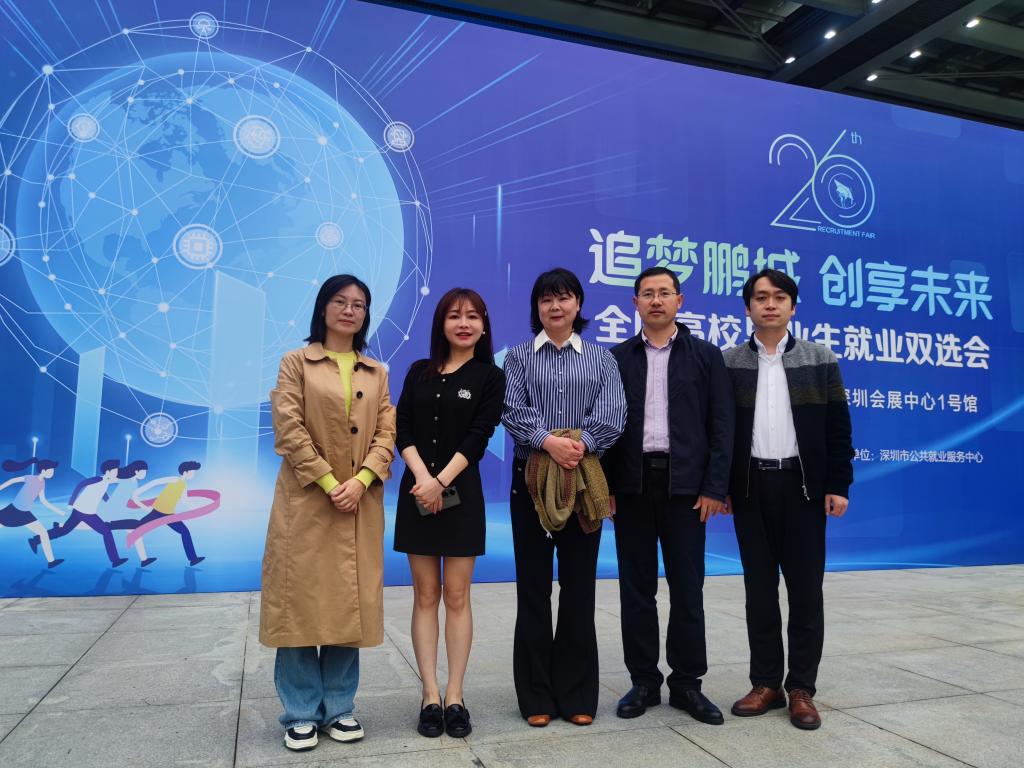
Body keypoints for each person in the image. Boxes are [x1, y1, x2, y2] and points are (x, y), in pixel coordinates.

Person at [259, 274, 396, 752]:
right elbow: (289, 428)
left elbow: (387, 433)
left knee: (346, 605)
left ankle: (339, 707)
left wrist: (361, 480)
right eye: (340, 301)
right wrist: (330, 482)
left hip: (359, 502)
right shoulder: (296, 363)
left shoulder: (376, 371)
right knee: (298, 604)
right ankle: (299, 711)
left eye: (359, 304)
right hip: (306, 501)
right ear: (323, 308)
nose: (349, 310)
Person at [722, 268, 853, 731]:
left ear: (793, 307)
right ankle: (765, 684)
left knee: (805, 591)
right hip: (751, 488)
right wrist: (721, 486)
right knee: (758, 591)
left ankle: (801, 688)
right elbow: (720, 431)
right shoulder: (729, 362)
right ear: (748, 308)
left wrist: (838, 484)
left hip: (803, 489)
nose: (770, 304)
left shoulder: (819, 358)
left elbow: (838, 428)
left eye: (779, 297)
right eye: (760, 298)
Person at [604, 266, 733, 724]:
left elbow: (722, 425)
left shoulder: (706, 356)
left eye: (664, 293)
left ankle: (687, 684)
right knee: (636, 589)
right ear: (635, 303)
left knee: (687, 589)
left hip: (687, 490)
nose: (656, 300)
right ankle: (643, 681)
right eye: (647, 294)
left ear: (680, 301)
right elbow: (604, 428)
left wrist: (715, 487)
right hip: (632, 487)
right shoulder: (616, 358)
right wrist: (606, 489)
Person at [501, 267, 626, 727]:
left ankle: (576, 694)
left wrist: (580, 445)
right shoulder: (517, 358)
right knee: (533, 589)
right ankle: (535, 695)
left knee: (579, 588)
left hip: (584, 484)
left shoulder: (601, 359)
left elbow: (613, 415)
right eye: (546, 299)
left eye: (564, 298)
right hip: (531, 484)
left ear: (578, 305)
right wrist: (549, 442)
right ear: (536, 308)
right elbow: (512, 410)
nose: (555, 306)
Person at [394, 288, 505, 739]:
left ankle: (455, 695)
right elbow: (402, 428)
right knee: (425, 595)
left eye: (473, 316)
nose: (464, 323)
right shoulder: (418, 372)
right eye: (455, 316)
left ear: (483, 325)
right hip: (417, 493)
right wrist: (424, 480)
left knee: (457, 596)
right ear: (441, 323)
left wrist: (441, 482)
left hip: (462, 496)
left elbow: (480, 435)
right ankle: (429, 694)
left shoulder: (489, 376)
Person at [109, 461, 205, 566]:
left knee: (184, 532)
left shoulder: (184, 485)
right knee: (138, 525)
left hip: (169, 514)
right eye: (192, 472)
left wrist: (198, 509)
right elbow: (155, 482)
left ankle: (193, 559)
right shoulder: (175, 479)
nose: (193, 475)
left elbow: (186, 501)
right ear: (185, 472)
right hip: (158, 511)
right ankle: (110, 525)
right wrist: (139, 491)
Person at [44, 459, 127, 567]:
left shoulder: (105, 482)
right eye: (115, 471)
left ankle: (36, 540)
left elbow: (102, 492)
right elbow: (80, 485)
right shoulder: (97, 479)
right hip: (86, 512)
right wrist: (71, 502)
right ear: (108, 471)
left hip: (81, 511)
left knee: (64, 531)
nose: (116, 473)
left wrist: (109, 501)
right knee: (106, 532)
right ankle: (115, 560)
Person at [0, 457, 66, 567]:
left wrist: (58, 511)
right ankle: (51, 561)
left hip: (25, 514)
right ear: (43, 470)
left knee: (43, 533)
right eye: (51, 470)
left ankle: (51, 561)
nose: (52, 473)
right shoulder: (31, 478)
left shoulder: (42, 483)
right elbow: (12, 480)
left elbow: (43, 500)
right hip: (13, 511)